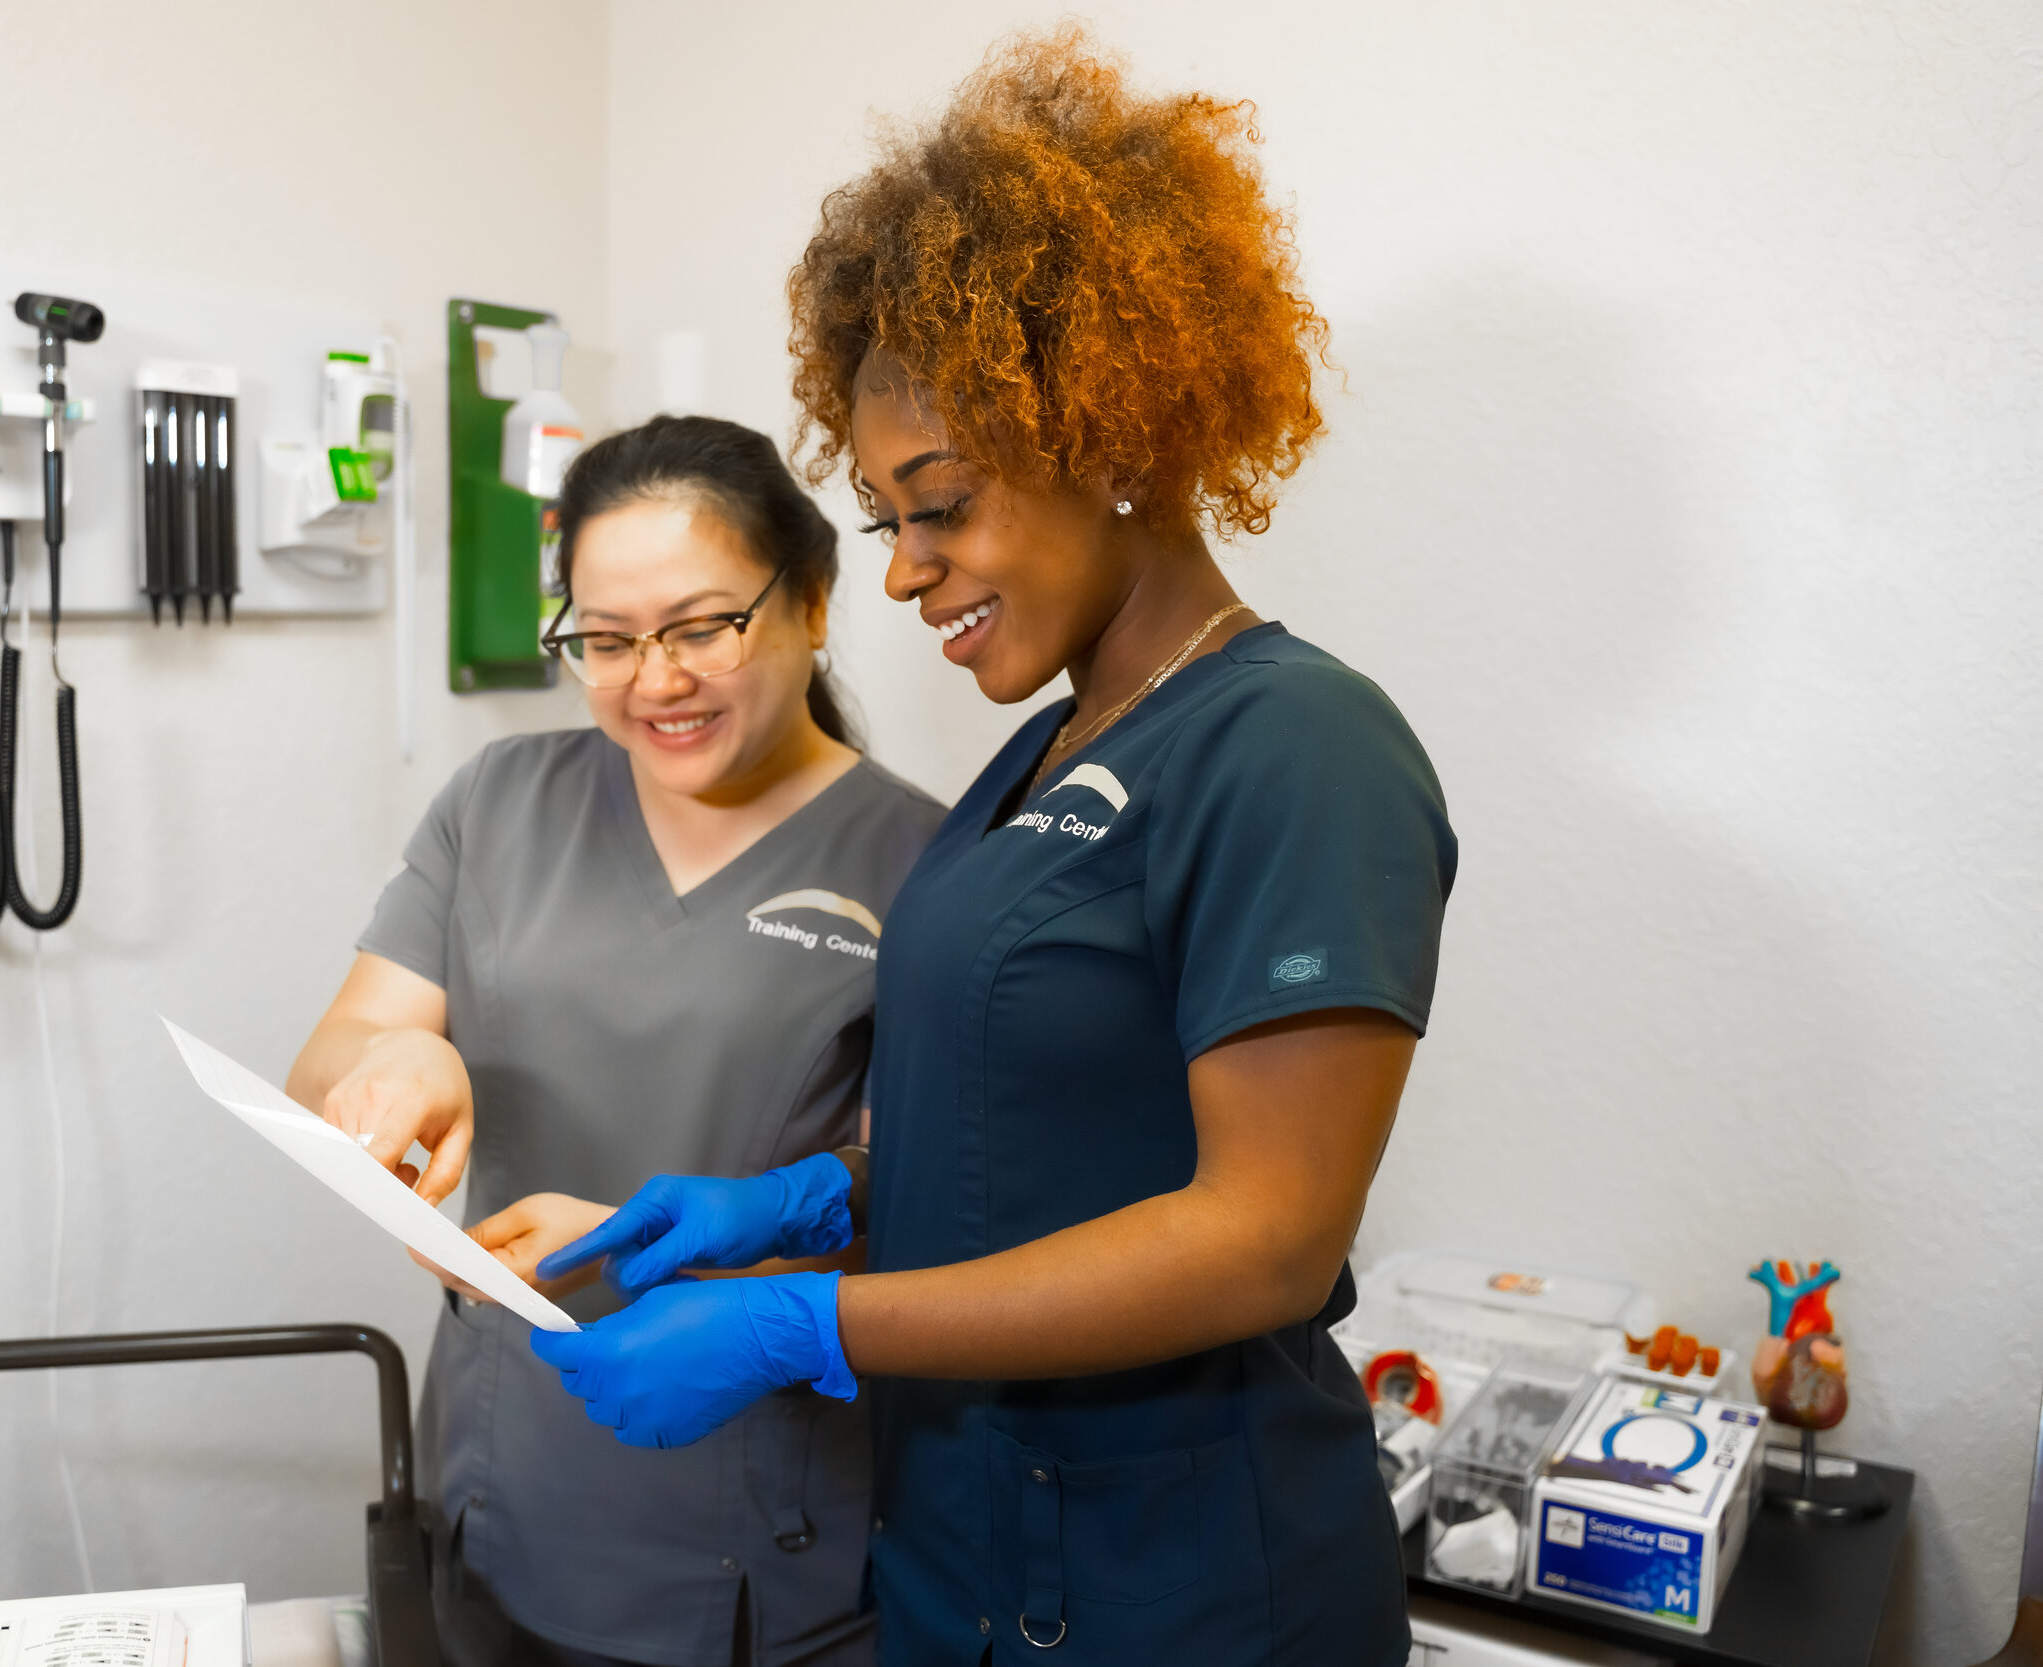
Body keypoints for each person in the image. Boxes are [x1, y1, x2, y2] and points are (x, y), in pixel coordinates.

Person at [528, 34, 1456, 1665]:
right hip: (967, 1554)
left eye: (938, 504)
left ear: (1106, 437)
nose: (904, 573)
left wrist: (805, 1322)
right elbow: (1039, 1133)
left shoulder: (1295, 743)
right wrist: (808, 1199)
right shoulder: (1044, 755)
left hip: (1182, 1589)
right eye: (888, 518)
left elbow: (1266, 1231)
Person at [287, 414, 942, 1667]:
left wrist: (689, 1265)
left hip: (753, 1519)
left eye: (701, 625)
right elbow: (335, 1055)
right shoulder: (499, 802)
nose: (654, 678)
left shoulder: (926, 865)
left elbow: (937, 1220)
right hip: (501, 1471)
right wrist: (395, 1065)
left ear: (808, 599)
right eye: (604, 638)